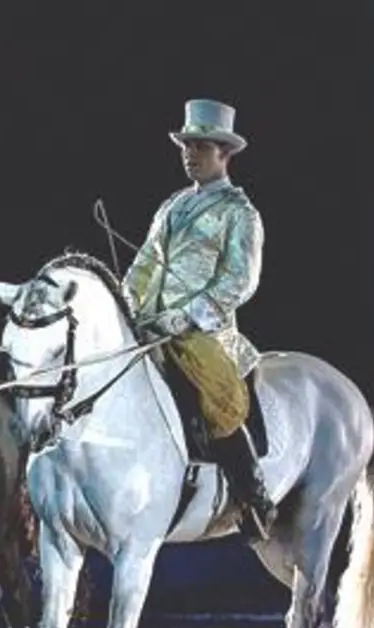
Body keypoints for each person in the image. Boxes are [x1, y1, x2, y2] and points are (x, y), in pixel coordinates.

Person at [125, 98, 276, 541]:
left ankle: (253, 494)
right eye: (186, 146)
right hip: (152, 322)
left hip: (201, 330)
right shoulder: (172, 206)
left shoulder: (240, 213)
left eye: (201, 147)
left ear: (224, 154)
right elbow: (144, 265)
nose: (190, 154)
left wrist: (187, 316)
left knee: (218, 398)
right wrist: (128, 304)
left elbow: (239, 280)